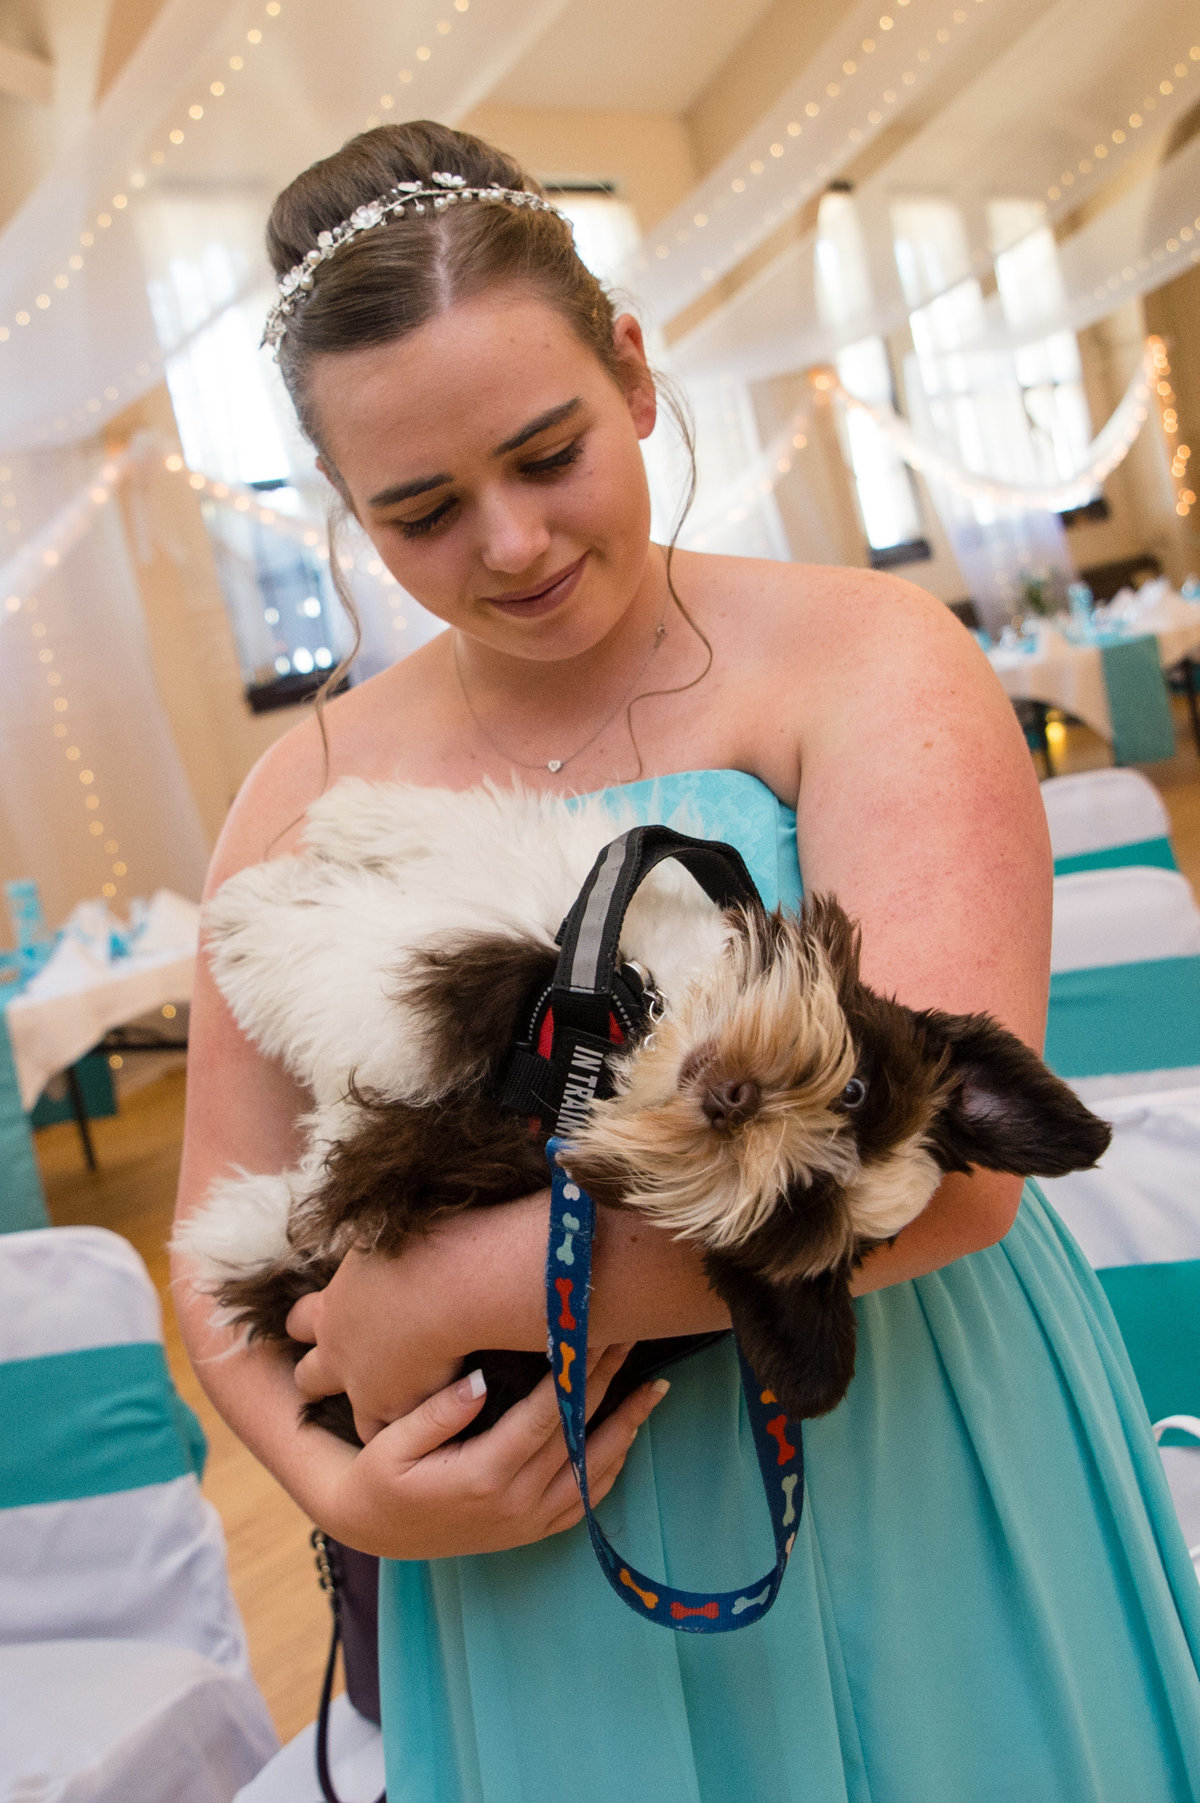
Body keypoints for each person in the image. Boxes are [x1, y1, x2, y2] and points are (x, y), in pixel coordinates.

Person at [172, 120, 1200, 1802]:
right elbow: (215, 1233)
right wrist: (343, 1488)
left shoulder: (866, 660)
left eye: (546, 450)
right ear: (344, 514)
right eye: (422, 511)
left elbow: (949, 1173)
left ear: (634, 373)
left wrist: (447, 1293)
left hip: (907, 1434)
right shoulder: (304, 789)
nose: (507, 543)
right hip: (529, 1555)